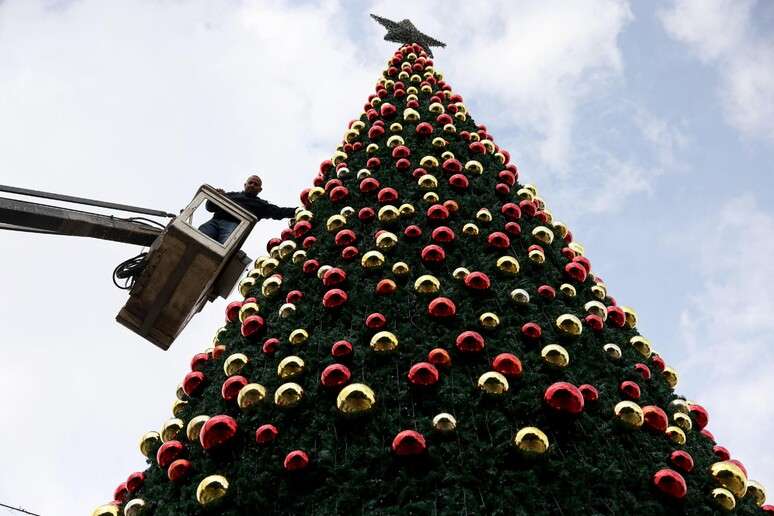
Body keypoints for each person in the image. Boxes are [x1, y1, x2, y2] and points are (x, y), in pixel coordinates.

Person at [198, 175, 295, 244]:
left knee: (225, 246)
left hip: (234, 226)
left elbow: (279, 212)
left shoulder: (261, 205)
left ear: (260, 189)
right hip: (215, 221)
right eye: (250, 183)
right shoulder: (231, 195)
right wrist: (216, 197)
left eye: (256, 184)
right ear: (245, 185)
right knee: (199, 236)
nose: (252, 185)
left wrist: (297, 211)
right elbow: (210, 208)